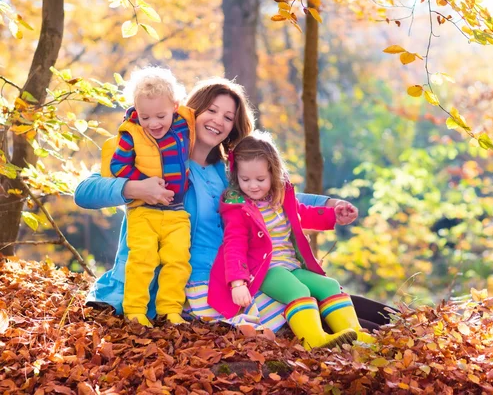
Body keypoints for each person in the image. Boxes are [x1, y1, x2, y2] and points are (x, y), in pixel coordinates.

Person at [75, 76, 396, 332]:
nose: (218, 121)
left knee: (354, 306)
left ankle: (396, 325)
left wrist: (329, 205)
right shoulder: (151, 157)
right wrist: (135, 187)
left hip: (231, 277)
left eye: (228, 116)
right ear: (190, 111)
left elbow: (277, 197)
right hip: (185, 287)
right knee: (304, 312)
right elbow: (85, 191)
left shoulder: (226, 173)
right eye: (211, 110)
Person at [208, 132, 375, 350]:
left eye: (260, 179)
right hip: (265, 269)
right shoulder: (238, 206)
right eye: (245, 179)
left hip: (291, 265)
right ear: (236, 176)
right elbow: (234, 244)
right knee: (298, 291)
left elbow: (303, 213)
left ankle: (356, 334)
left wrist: (334, 214)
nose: (253, 186)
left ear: (273, 173)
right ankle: (315, 340)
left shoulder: (279, 196)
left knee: (329, 285)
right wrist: (237, 283)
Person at [101, 67, 194, 327]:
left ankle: (170, 310)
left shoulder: (185, 125)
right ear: (136, 110)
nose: (153, 123)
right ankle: (134, 310)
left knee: (177, 260)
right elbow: (118, 167)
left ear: (175, 106)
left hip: (176, 212)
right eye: (145, 116)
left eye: (161, 115)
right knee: (142, 259)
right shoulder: (131, 134)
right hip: (143, 211)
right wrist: (144, 184)